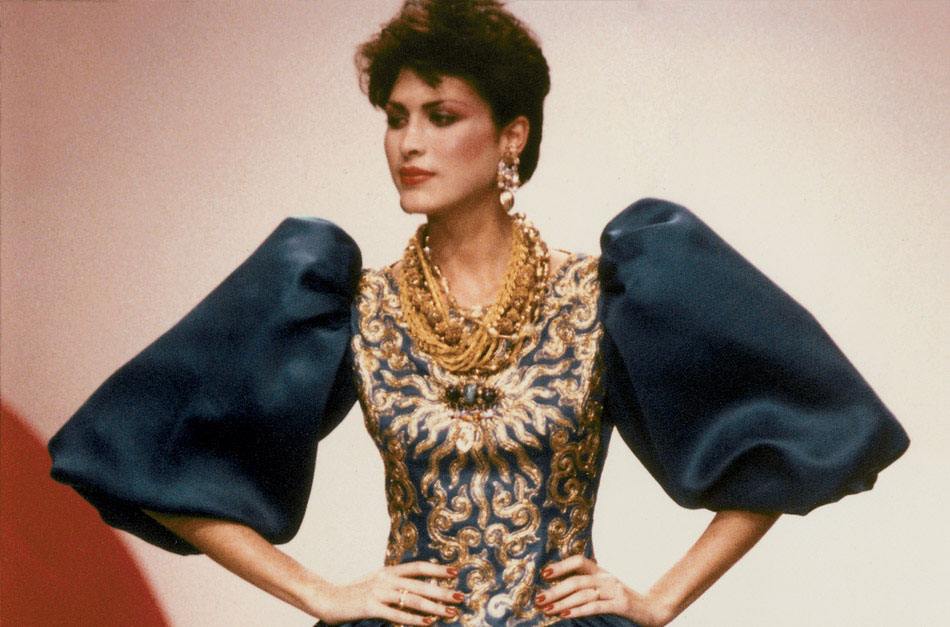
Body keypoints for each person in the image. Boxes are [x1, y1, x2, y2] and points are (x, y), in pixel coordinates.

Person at [47, 1, 909, 626]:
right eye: (396, 118)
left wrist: (659, 599)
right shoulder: (349, 304)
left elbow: (800, 428)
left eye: (441, 115)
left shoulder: (604, 293)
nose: (409, 142)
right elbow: (140, 449)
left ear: (512, 136)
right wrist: (319, 593)